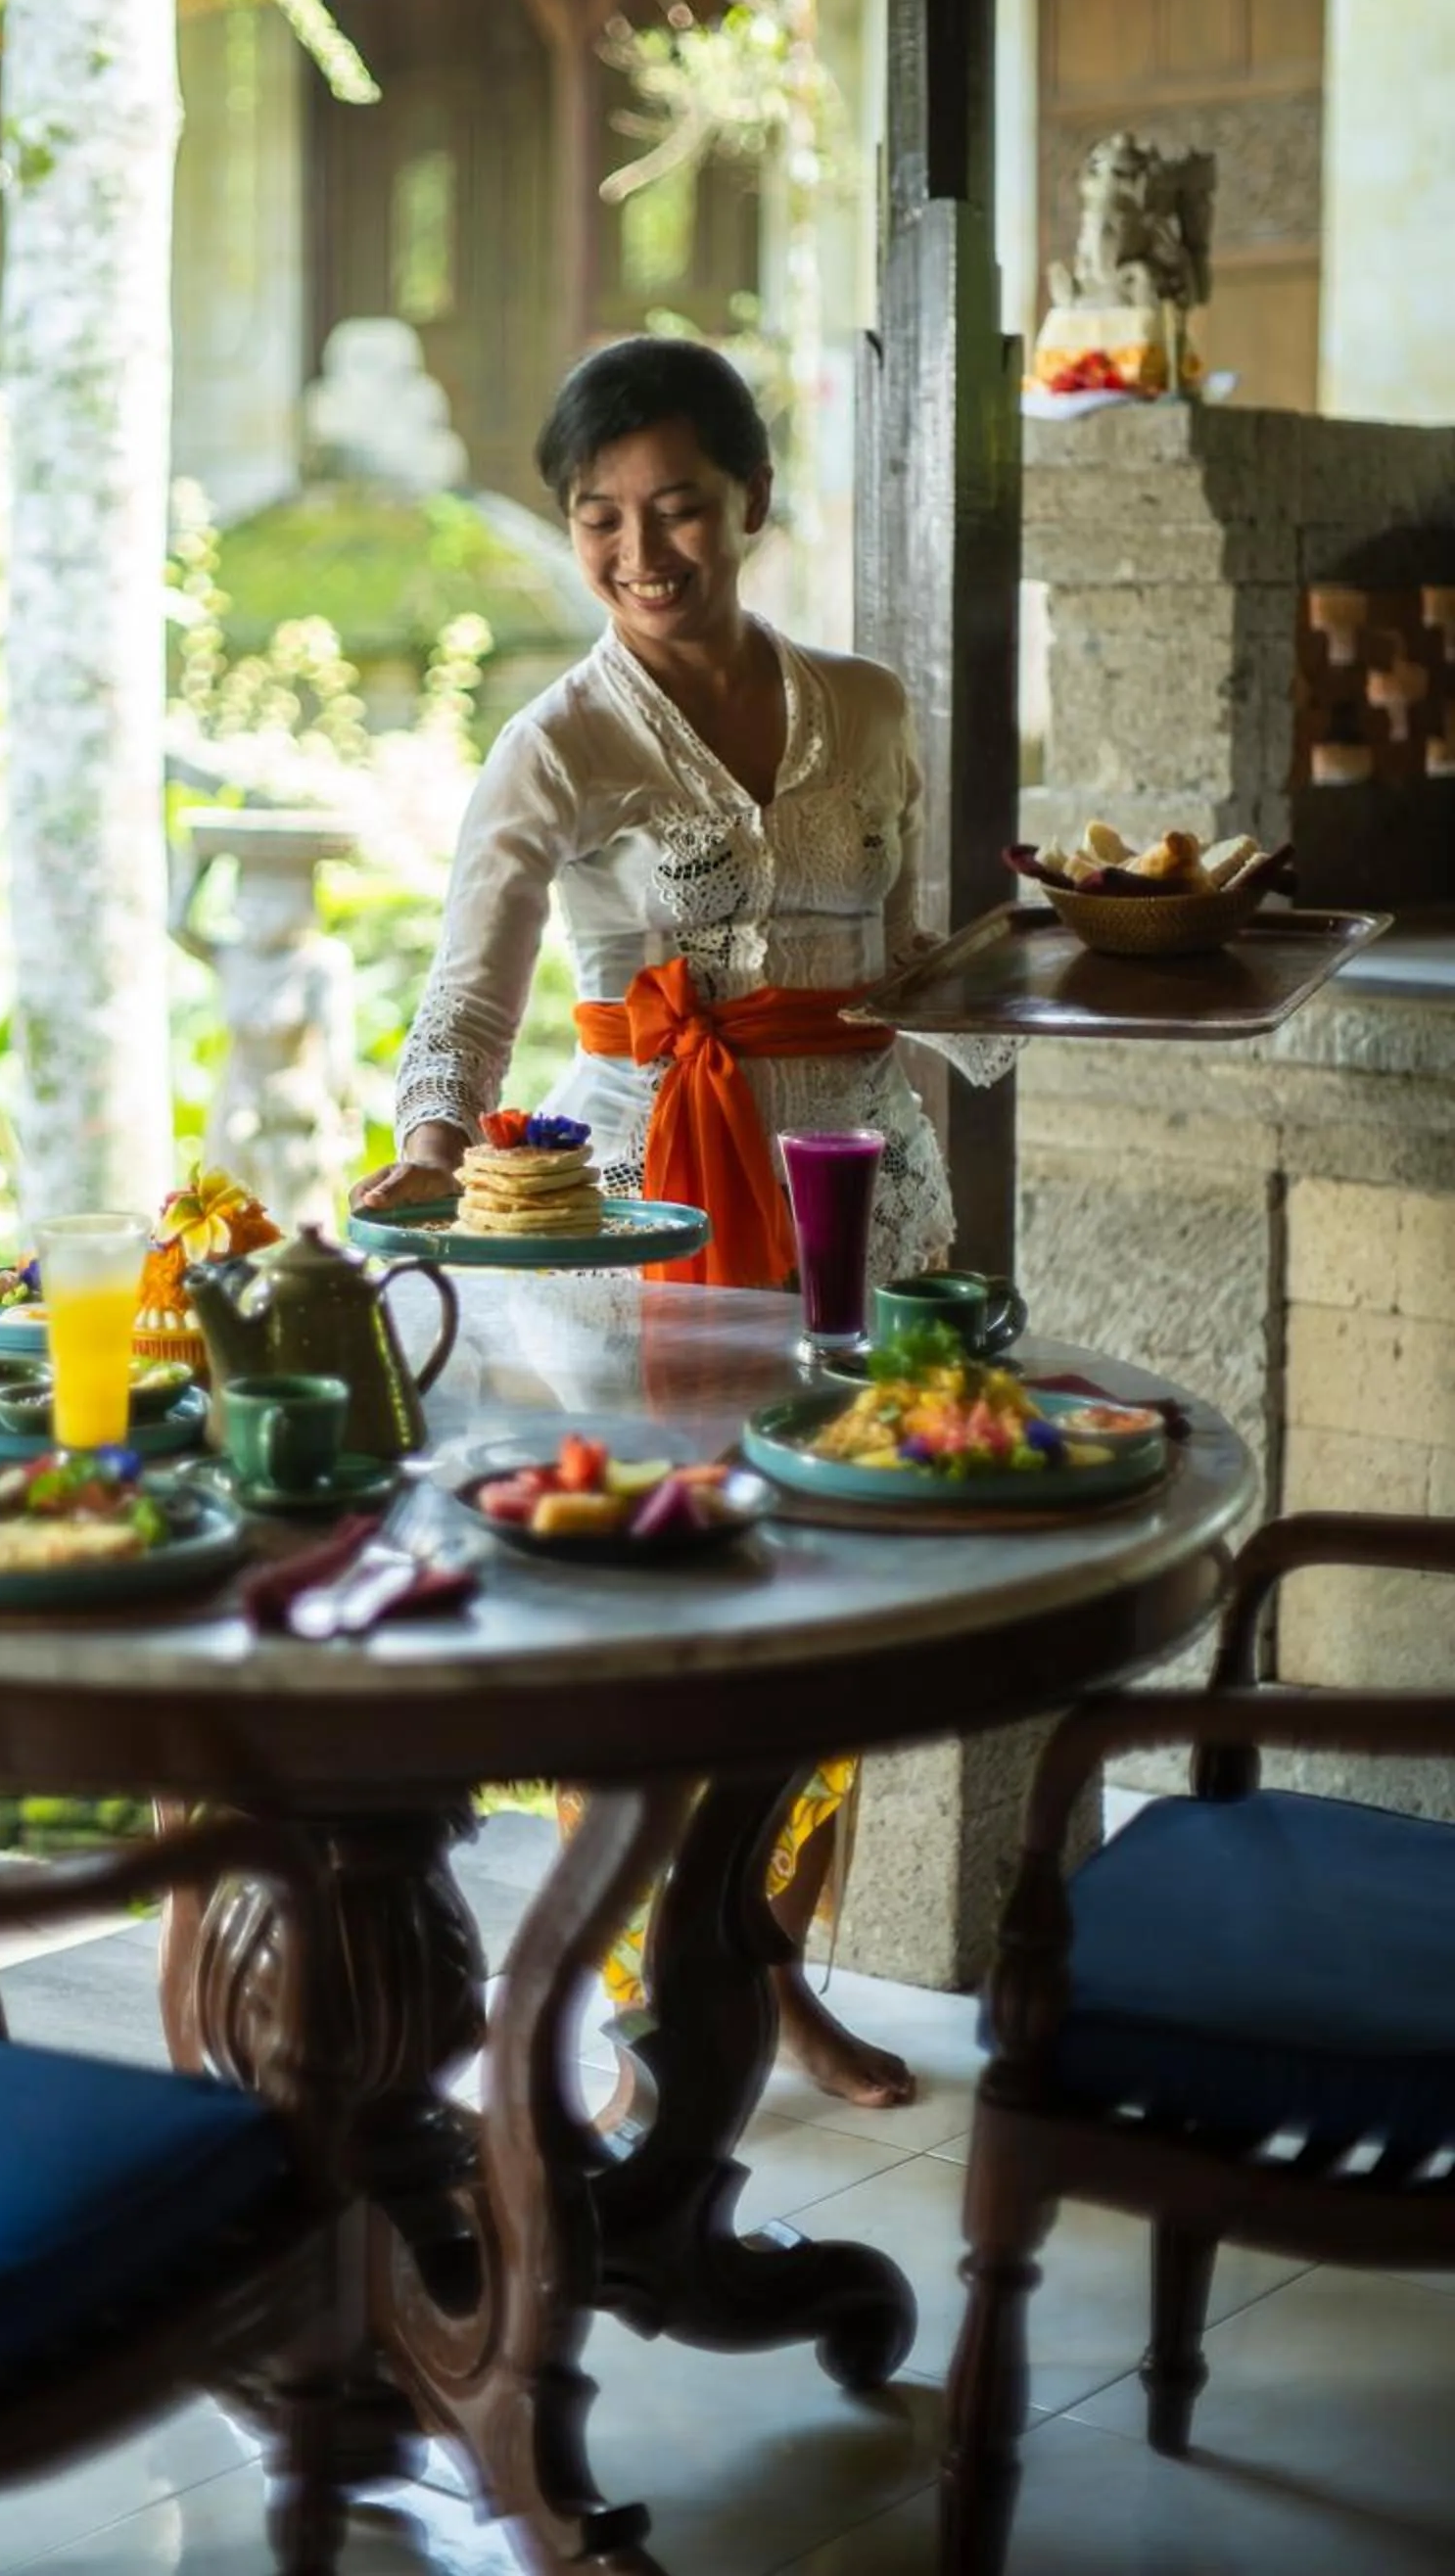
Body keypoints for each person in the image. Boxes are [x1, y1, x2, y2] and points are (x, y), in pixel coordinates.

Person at [355, 335, 999, 2109]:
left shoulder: (868, 710)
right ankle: (646, 2005)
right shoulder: (554, 743)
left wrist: (1073, 973)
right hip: (633, 1228)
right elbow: (467, 1004)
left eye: (681, 510)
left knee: (839, 1607)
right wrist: (429, 1141)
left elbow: (920, 954)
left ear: (752, 508)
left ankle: (775, 1974)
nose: (645, 553)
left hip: (861, 1195)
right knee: (652, 1612)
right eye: (602, 519)